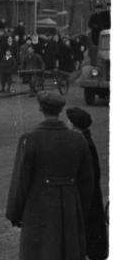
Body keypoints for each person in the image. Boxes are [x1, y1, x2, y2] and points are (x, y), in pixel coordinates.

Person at [6, 92, 93, 260]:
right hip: (69, 207)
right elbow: (87, 182)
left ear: (40, 108)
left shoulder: (30, 139)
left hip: (38, 208)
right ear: (60, 110)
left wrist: (14, 213)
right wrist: (79, 211)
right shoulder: (78, 140)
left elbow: (20, 182)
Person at [65, 107, 108, 260]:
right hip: (91, 194)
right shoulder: (85, 139)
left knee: (88, 232)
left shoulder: (82, 143)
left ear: (73, 124)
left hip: (87, 196)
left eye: (68, 120)